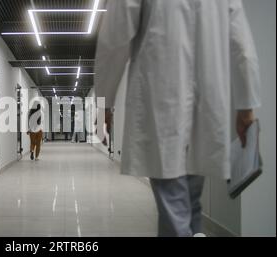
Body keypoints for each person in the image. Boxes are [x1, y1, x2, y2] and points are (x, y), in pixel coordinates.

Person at [95, 0, 261, 237]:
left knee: (175, 208)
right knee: (189, 204)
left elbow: (113, 40)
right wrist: (246, 105)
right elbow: (241, 41)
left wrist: (104, 103)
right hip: (207, 107)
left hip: (161, 104)